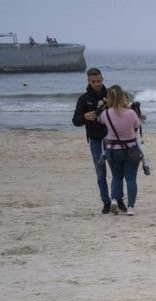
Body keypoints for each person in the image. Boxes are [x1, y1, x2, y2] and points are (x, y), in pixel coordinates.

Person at [97, 85, 142, 216]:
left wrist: (103, 105)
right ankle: (131, 208)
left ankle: (114, 200)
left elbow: (99, 120)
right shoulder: (131, 113)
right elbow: (137, 126)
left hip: (112, 149)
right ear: (124, 97)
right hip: (131, 149)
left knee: (116, 177)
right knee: (131, 179)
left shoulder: (106, 113)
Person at [71, 67, 111, 214]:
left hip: (112, 139)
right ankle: (106, 202)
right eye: (93, 81)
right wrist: (84, 117)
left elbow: (123, 112)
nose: (97, 84)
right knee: (101, 174)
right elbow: (75, 121)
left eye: (99, 81)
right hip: (95, 140)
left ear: (103, 79)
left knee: (117, 172)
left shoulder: (110, 95)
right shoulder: (83, 99)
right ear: (88, 81)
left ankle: (117, 200)